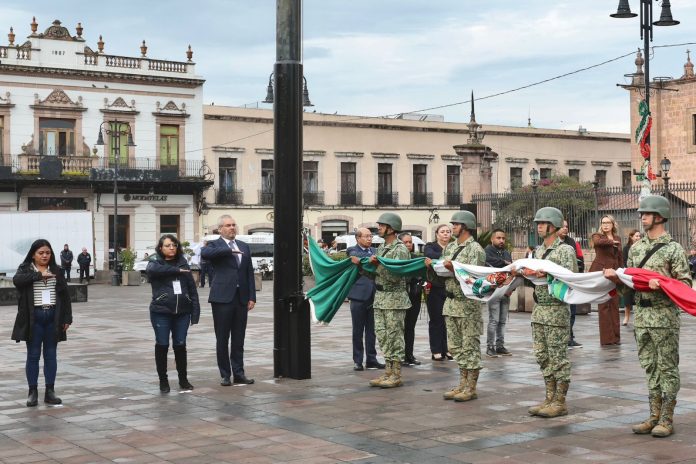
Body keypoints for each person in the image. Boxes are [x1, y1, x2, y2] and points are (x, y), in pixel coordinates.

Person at [605, 195, 691, 438]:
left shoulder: (673, 249)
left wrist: (661, 285)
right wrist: (616, 280)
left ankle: (666, 418)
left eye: (646, 213)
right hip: (642, 316)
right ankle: (653, 415)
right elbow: (629, 286)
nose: (642, 217)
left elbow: (684, 285)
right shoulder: (636, 248)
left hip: (663, 317)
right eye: (641, 214)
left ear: (660, 216)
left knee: (667, 367)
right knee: (649, 366)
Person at [425, 211, 485, 402]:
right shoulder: (450, 247)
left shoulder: (475, 249)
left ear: (466, 226)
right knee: (456, 346)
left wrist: (454, 269)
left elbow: (473, 278)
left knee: (470, 347)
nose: (452, 228)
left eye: (456, 224)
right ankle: (462, 383)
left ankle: (471, 386)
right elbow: (441, 274)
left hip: (467, 305)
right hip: (450, 303)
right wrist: (432, 267)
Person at [527, 207, 577, 418]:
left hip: (556, 310)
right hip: (539, 310)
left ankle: (560, 401)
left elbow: (570, 278)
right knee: (542, 355)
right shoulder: (538, 251)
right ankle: (549, 397)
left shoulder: (565, 250)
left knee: (558, 357)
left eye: (543, 223)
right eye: (537, 223)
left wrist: (546, 273)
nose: (539, 226)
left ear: (554, 226)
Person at [12, 239, 72, 407]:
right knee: (33, 355)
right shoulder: (25, 269)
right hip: (34, 316)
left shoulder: (56, 270)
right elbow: (17, 281)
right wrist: (39, 275)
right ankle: (32, 391)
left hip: (53, 315)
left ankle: (50, 391)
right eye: (41, 253)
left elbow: (65, 296)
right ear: (33, 255)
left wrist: (67, 318)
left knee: (51, 355)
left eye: (47, 253)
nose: (45, 256)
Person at [201, 215, 256, 386]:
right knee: (222, 338)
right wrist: (228, 250)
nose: (232, 228)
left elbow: (249, 273)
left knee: (239, 338)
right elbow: (205, 254)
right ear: (220, 229)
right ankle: (225, 374)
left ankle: (239, 373)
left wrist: (252, 297)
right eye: (228, 225)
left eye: (234, 225)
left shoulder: (244, 246)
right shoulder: (214, 245)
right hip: (222, 298)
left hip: (241, 299)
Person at [146, 234, 200, 393]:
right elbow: (153, 271)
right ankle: (163, 380)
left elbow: (192, 288)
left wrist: (195, 311)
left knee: (180, 345)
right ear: (160, 248)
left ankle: (183, 379)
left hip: (182, 312)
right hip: (161, 311)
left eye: (174, 245)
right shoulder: (155, 262)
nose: (172, 248)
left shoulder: (184, 261)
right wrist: (176, 270)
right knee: (162, 345)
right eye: (168, 245)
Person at [365, 212, 410, 388]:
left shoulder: (400, 250)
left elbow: (396, 276)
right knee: (383, 337)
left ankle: (396, 374)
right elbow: (375, 275)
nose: (379, 228)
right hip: (381, 298)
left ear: (391, 228)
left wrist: (377, 266)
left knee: (395, 337)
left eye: (382, 226)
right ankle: (388, 372)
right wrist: (363, 267)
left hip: (395, 299)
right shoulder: (383, 247)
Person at [347, 228, 385, 371]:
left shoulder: (375, 252)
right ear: (358, 238)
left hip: (375, 295)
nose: (370, 239)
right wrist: (368, 260)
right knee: (357, 330)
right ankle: (357, 360)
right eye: (367, 236)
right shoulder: (352, 250)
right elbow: (357, 256)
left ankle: (371, 359)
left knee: (372, 330)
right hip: (358, 296)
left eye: (371, 236)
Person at [590, 215, 623, 346]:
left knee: (614, 304)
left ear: (613, 224)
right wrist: (611, 242)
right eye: (603, 223)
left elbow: (619, 256)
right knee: (604, 305)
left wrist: (621, 272)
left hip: (614, 273)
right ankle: (607, 339)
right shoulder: (597, 236)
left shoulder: (618, 238)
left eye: (608, 223)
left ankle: (616, 337)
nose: (605, 225)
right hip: (601, 273)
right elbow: (598, 243)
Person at [423, 224, 452, 362]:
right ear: (437, 234)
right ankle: (436, 350)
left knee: (447, 320)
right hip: (435, 288)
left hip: (449, 288)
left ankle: (446, 348)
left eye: (448, 232)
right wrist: (447, 259)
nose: (445, 234)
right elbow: (430, 255)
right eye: (443, 232)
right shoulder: (431, 246)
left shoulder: (453, 246)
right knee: (436, 320)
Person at [484, 228, 513, 358]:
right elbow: (490, 264)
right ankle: (490, 347)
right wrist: (505, 264)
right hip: (494, 291)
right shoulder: (487, 251)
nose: (501, 240)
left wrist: (511, 288)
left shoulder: (507, 253)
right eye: (498, 238)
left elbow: (512, 271)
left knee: (502, 321)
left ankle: (500, 345)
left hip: (506, 291)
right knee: (493, 320)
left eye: (503, 238)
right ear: (492, 239)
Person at [558, 220, 584, 348]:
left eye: (567, 227)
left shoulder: (572, 242)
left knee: (572, 311)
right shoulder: (551, 244)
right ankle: (563, 337)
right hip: (558, 284)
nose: (565, 229)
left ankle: (569, 337)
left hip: (572, 282)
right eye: (562, 226)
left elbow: (580, 260)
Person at [400, 232, 423, 366]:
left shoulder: (415, 258)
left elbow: (422, 275)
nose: (408, 244)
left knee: (410, 326)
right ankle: (400, 355)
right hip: (401, 296)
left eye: (410, 242)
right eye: (405, 242)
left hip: (414, 295)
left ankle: (409, 354)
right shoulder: (398, 258)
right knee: (400, 327)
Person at [622, 229, 641, 325]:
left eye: (639, 236)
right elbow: (625, 261)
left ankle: (638, 318)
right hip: (629, 276)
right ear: (631, 237)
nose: (638, 238)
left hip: (640, 276)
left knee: (640, 297)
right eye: (636, 236)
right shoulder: (626, 248)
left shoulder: (643, 247)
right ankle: (626, 317)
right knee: (628, 297)